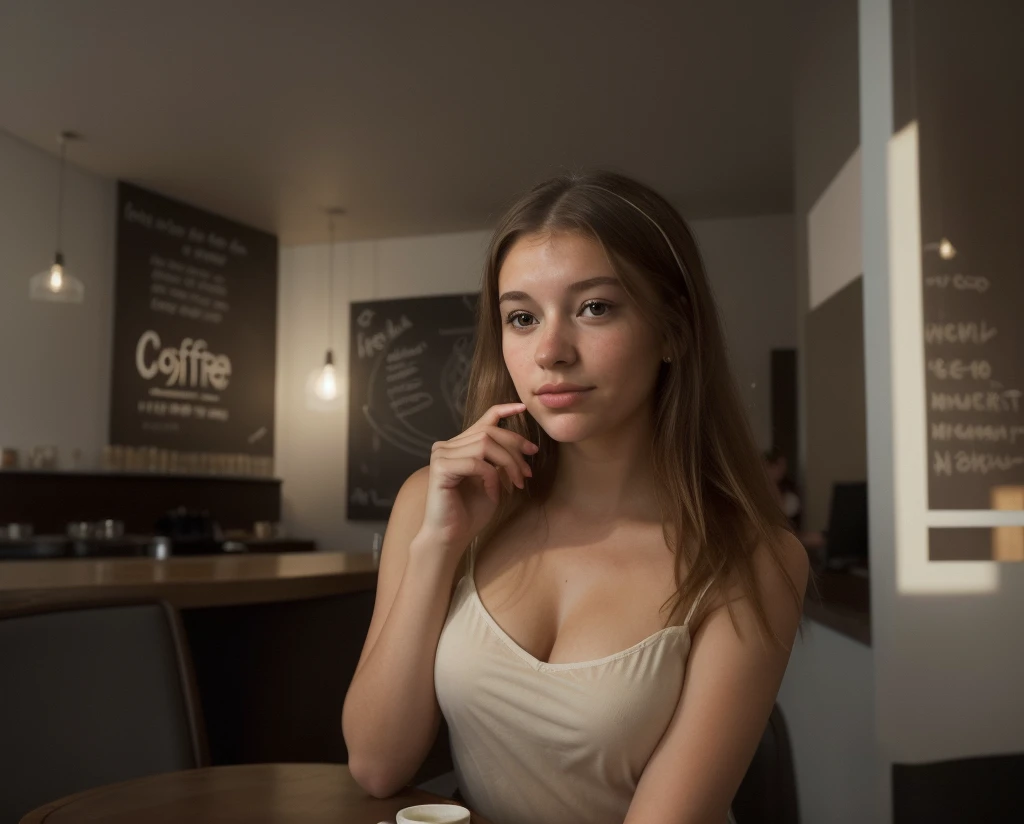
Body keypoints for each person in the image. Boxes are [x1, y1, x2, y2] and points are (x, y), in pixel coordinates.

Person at [342, 171, 809, 824]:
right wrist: (436, 548)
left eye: (595, 307)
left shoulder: (753, 559)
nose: (551, 352)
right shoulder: (433, 505)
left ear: (673, 331)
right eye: (522, 318)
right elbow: (375, 762)